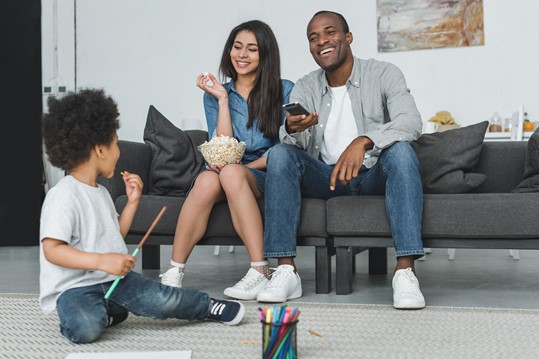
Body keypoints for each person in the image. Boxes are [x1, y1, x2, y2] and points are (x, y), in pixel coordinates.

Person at [39, 89, 245, 344]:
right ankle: (106, 311)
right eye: (115, 143)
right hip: (74, 289)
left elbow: (115, 236)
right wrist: (102, 262)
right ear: (99, 150)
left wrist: (133, 204)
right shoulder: (63, 195)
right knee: (85, 329)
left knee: (162, 298)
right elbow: (53, 250)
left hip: (113, 280)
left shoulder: (101, 193)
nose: (118, 151)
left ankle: (207, 306)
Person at [256, 10, 426, 309]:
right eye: (313, 37)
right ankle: (286, 269)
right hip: (327, 178)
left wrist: (365, 140)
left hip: (371, 173)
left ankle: (405, 271)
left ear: (347, 37)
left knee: (401, 151)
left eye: (330, 32)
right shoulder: (306, 86)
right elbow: (294, 146)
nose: (322, 41)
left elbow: (410, 122)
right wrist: (293, 130)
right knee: (281, 152)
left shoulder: (383, 73)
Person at [159, 20, 294, 301]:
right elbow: (223, 146)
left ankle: (260, 270)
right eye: (237, 47)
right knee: (207, 181)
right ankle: (174, 271)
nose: (242, 55)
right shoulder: (216, 94)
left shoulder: (285, 90)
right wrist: (221, 99)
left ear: (265, 55)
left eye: (252, 49)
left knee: (231, 173)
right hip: (229, 170)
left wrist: (239, 167)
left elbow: (285, 152)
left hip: (268, 173)